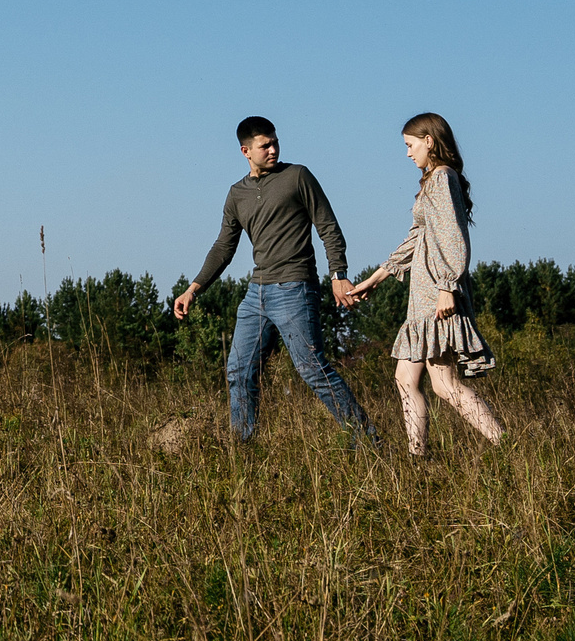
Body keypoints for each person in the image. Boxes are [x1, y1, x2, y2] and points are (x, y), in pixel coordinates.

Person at [173, 116, 376, 443]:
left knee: (313, 369)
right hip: (256, 295)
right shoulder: (237, 194)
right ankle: (242, 450)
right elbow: (224, 246)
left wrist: (338, 274)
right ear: (245, 151)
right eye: (264, 145)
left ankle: (369, 443)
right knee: (239, 371)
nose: (273, 149)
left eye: (275, 142)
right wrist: (194, 289)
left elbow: (328, 228)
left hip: (295, 288)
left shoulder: (297, 176)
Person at [345, 112, 504, 456]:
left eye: (410, 145)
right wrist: (377, 277)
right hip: (423, 294)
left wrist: (448, 286)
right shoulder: (432, 181)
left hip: (437, 293)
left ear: (429, 141)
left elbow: (453, 236)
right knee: (408, 379)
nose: (407, 153)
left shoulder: (443, 178)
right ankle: (419, 454)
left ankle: (505, 445)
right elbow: (417, 237)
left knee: (445, 384)